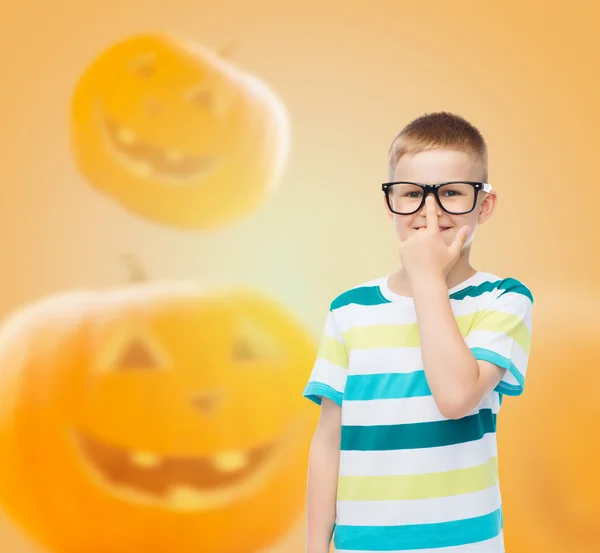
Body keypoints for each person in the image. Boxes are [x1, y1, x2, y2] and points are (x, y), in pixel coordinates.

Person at [303, 111, 534, 553]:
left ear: (483, 205)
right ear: (390, 203)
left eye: (451, 193)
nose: (430, 212)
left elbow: (455, 397)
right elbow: (328, 440)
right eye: (411, 194)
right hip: (363, 545)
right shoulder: (349, 309)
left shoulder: (504, 299)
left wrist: (427, 278)